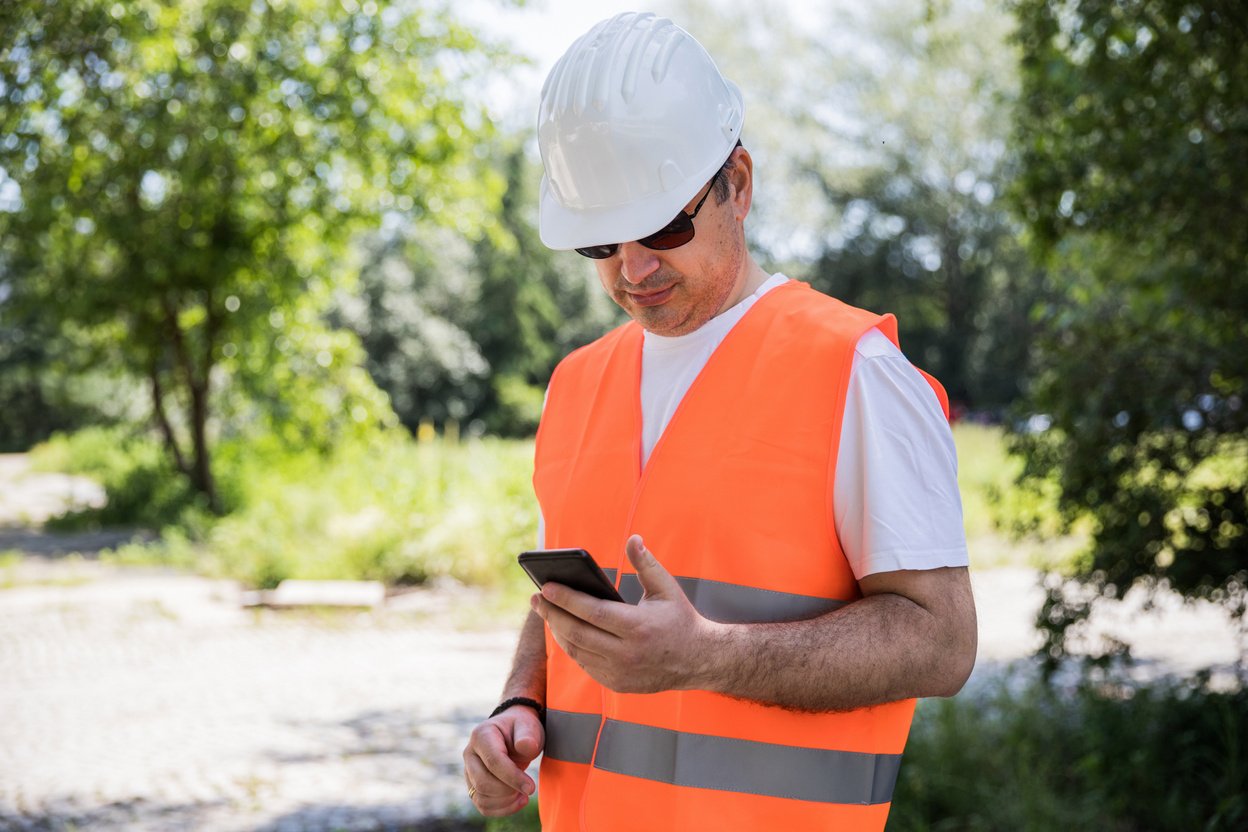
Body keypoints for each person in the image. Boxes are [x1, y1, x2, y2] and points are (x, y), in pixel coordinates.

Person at [462, 11, 977, 831]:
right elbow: (568, 600)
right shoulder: (577, 384)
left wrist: (708, 656)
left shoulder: (856, 371)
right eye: (599, 243)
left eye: (664, 226)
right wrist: (518, 703)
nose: (632, 269)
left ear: (737, 182)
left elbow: (942, 643)